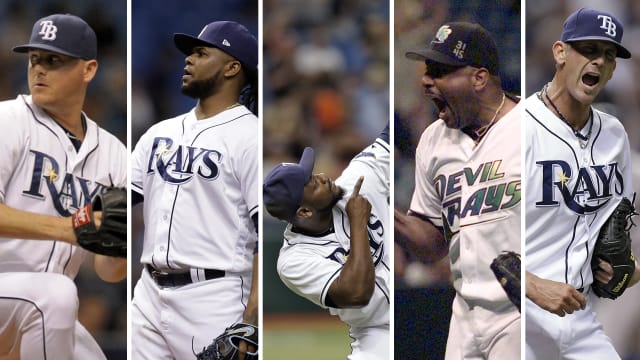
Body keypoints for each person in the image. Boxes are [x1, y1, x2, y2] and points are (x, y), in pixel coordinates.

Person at [0, 13, 127, 359]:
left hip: (45, 307)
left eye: (54, 60)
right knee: (55, 294)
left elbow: (107, 271)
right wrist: (71, 228)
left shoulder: (115, 154)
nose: (38, 69)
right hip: (23, 294)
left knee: (60, 305)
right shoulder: (8, 120)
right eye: (35, 59)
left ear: (88, 70)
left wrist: (118, 248)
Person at [130, 20, 259, 359]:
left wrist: (252, 320)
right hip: (147, 293)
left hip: (215, 296)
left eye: (201, 53)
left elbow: (266, 239)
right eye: (190, 54)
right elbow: (119, 200)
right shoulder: (159, 132)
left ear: (233, 67)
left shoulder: (250, 137)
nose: (188, 60)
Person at [394, 21, 521, 359]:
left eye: (439, 71)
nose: (425, 81)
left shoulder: (536, 128)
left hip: (522, 311)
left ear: (479, 78)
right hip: (465, 314)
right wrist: (380, 212)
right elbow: (432, 245)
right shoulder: (434, 140)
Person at [524, 8, 640, 359]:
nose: (599, 62)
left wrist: (623, 268)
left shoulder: (614, 136)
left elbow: (615, 233)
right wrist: (532, 285)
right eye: (588, 50)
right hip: (516, 314)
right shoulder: (519, 129)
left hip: (578, 317)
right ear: (560, 52)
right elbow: (479, 241)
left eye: (608, 55)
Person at [263, 125, 390, 360]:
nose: (322, 176)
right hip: (376, 332)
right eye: (312, 182)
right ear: (304, 212)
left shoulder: (354, 181)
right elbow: (356, 294)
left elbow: (389, 138)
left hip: (415, 304)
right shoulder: (293, 260)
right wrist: (358, 223)